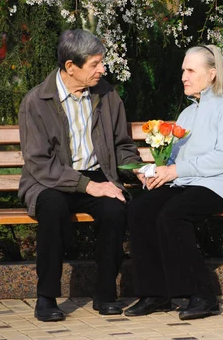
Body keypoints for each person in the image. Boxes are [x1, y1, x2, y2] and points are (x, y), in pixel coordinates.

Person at [18, 29, 142, 321]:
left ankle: (105, 293)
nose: (103, 69)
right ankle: (46, 298)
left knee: (115, 208)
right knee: (52, 208)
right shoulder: (36, 101)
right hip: (49, 180)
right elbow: (39, 163)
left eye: (102, 62)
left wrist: (140, 170)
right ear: (70, 67)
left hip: (95, 176)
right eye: (95, 64)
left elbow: (122, 146)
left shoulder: (107, 95)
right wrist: (89, 186)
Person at [125, 45, 223, 320]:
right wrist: (153, 172)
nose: (183, 75)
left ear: (212, 74)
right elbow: (175, 161)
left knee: (172, 215)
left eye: (191, 70)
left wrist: (175, 171)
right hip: (189, 184)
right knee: (140, 209)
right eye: (183, 69)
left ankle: (202, 296)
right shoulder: (186, 114)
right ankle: (155, 294)